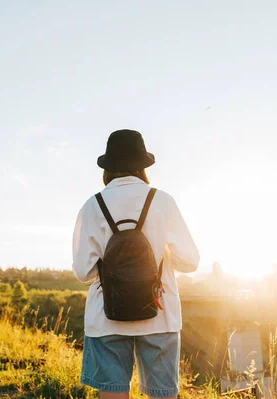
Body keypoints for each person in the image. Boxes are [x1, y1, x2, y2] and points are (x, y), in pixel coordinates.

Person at [72, 129, 199, 399]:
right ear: (142, 166)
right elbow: (190, 261)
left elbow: (83, 272)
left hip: (107, 318)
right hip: (159, 314)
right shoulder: (162, 200)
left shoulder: (92, 206)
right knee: (162, 395)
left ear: (108, 168)